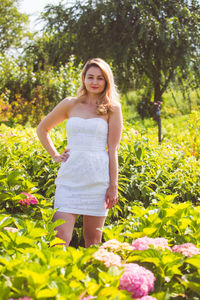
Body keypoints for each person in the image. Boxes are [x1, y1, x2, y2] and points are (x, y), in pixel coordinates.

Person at [36, 58, 123, 248]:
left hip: (98, 182)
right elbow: (42, 129)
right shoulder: (70, 104)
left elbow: (113, 149)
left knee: (92, 243)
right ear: (83, 78)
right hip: (69, 180)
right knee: (58, 242)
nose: (94, 82)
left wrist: (113, 186)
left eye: (100, 78)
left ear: (106, 81)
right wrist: (55, 155)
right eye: (90, 77)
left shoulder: (113, 109)